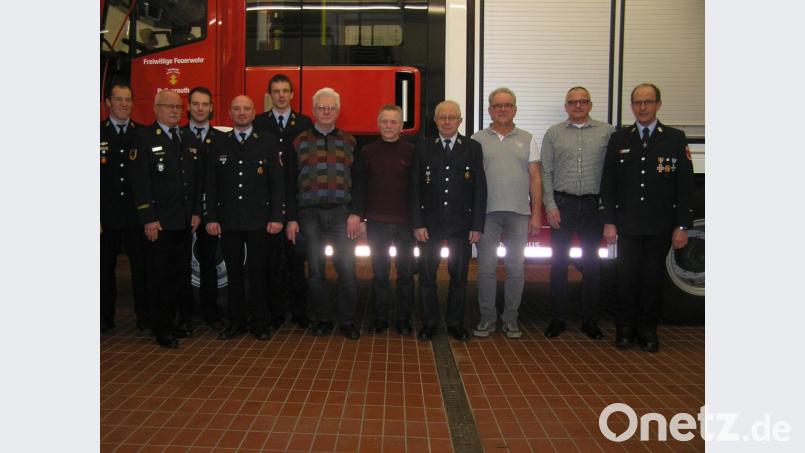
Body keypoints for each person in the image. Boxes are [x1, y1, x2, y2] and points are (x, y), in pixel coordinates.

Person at [600, 83, 694, 352]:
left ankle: (648, 331)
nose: (642, 108)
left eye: (648, 102)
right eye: (637, 103)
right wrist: (609, 220)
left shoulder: (675, 139)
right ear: (631, 106)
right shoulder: (620, 139)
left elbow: (684, 186)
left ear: (658, 105)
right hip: (628, 225)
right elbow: (609, 183)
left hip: (659, 224)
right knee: (626, 278)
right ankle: (625, 329)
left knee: (653, 279)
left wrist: (682, 225)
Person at [206, 95, 285, 341]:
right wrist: (212, 217)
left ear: (254, 113)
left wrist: (276, 216)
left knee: (258, 271)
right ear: (229, 112)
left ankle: (259, 322)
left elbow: (277, 184)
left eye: (246, 109)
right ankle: (236, 322)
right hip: (229, 220)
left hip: (259, 220)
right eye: (237, 108)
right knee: (233, 273)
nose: (241, 113)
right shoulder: (220, 143)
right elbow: (212, 184)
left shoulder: (268, 142)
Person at [285, 87, 361, 340]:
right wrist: (292, 218)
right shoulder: (299, 142)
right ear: (313, 110)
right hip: (309, 214)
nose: (326, 112)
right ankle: (321, 319)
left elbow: (359, 182)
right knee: (315, 271)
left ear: (338, 111)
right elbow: (289, 182)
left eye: (331, 108)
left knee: (347, 269)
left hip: (342, 214)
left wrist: (356, 214)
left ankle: (347, 321)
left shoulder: (350, 142)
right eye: (321, 108)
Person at [540, 86, 615, 340]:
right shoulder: (553, 134)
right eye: (573, 102)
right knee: (558, 264)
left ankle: (590, 320)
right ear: (566, 107)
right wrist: (550, 205)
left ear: (590, 105)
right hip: (564, 205)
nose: (578, 105)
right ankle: (558, 319)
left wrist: (607, 211)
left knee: (592, 265)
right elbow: (546, 172)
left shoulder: (607, 133)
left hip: (594, 206)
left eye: (583, 101)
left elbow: (613, 175)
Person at [128, 90, 201, 348]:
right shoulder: (144, 138)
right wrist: (148, 217)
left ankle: (176, 321)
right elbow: (140, 182)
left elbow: (193, 180)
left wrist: (195, 212)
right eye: (169, 107)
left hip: (182, 221)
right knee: (158, 277)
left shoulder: (188, 137)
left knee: (179, 276)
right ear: (156, 109)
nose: (174, 111)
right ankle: (162, 328)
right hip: (158, 223)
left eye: (178, 108)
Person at [411, 100, 487, 342]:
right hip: (429, 226)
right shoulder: (423, 147)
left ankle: (455, 323)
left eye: (451, 117)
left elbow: (479, 190)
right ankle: (429, 323)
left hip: (461, 225)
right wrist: (417, 222)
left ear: (460, 121)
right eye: (442, 117)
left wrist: (477, 225)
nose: (446, 121)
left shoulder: (473, 148)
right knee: (426, 276)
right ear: (435, 120)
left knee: (459, 277)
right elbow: (414, 189)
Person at [471, 88, 541, 339]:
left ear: (515, 109)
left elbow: (535, 177)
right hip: (487, 214)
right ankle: (487, 319)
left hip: (519, 214)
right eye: (497, 105)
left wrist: (536, 213)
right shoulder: (477, 139)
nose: (502, 109)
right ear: (489, 109)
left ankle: (511, 319)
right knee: (486, 269)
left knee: (515, 269)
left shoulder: (528, 138)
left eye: (507, 105)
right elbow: (473, 180)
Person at [254, 74, 313, 331]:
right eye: (276, 91)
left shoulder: (304, 123)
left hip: (297, 200)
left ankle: (300, 312)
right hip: (268, 203)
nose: (280, 95)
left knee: (297, 261)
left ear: (292, 95)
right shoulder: (259, 123)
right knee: (272, 262)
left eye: (285, 91)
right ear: (270, 95)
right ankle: (276, 312)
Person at [350, 105, 416, 336]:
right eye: (384, 121)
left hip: (406, 223)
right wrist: (360, 216)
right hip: (376, 221)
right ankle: (380, 317)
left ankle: (403, 318)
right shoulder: (367, 152)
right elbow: (360, 187)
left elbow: (417, 190)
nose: (389, 126)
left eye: (393, 122)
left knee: (406, 273)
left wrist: (418, 221)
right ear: (378, 124)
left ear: (401, 125)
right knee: (380, 273)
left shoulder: (412, 152)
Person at [100, 82, 148, 332]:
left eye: (128, 99)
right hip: (105, 218)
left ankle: (143, 316)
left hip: (135, 216)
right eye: (118, 99)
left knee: (141, 270)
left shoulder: (141, 134)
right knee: (103, 271)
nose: (123, 104)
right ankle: (104, 317)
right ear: (108, 102)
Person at [182, 86, 225, 331]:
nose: (200, 108)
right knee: (180, 265)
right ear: (188, 106)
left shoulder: (221, 139)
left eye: (204, 104)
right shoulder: (178, 136)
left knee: (208, 263)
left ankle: (211, 313)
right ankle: (184, 315)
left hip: (210, 213)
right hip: (182, 213)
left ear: (211, 108)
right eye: (195, 104)